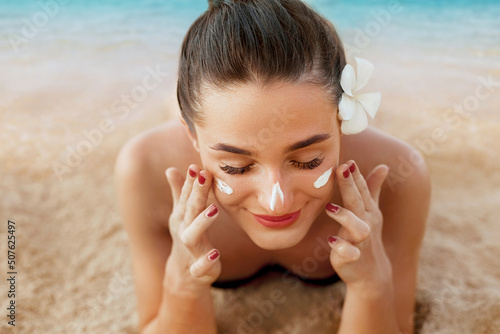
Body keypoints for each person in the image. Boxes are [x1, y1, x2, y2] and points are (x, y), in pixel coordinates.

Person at [114, 0, 431, 333]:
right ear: (191, 135)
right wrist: (183, 281)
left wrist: (371, 284)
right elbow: (152, 323)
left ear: (341, 121)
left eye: (308, 160)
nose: (275, 202)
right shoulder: (145, 170)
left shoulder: (398, 175)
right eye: (236, 166)